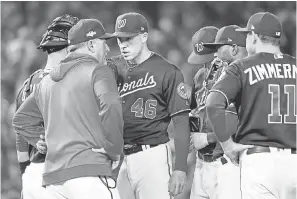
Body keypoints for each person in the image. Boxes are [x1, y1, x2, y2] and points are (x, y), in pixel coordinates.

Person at [12, 18, 124, 199]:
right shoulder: (98, 71)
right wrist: (113, 149)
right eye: (104, 42)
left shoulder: (46, 82)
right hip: (88, 172)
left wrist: (39, 140)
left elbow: (20, 119)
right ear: (92, 45)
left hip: (53, 180)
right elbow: (111, 105)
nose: (108, 49)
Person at [206, 12, 297, 199]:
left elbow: (213, 104)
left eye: (247, 34)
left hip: (259, 161)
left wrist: (227, 144)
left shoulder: (241, 67)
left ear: (254, 37)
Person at [110, 12, 191, 199]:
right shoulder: (111, 67)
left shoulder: (167, 71)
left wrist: (180, 168)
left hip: (152, 156)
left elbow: (180, 121)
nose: (123, 45)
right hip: (118, 157)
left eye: (128, 39)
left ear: (144, 36)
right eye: (120, 40)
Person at [14, 14, 79, 199]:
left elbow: (21, 141)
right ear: (70, 47)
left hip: (34, 172)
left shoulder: (27, 84)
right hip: (65, 173)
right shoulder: (72, 81)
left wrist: (27, 176)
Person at [187, 26, 238, 199]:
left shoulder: (233, 77)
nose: (207, 64)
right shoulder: (200, 76)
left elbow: (238, 121)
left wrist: (207, 137)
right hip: (201, 164)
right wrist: (192, 134)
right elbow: (194, 111)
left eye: (209, 58)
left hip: (225, 162)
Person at [202, 24, 248, 199]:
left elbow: (230, 120)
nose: (215, 53)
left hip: (241, 158)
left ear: (234, 48)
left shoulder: (239, 74)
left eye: (219, 47)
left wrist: (209, 138)